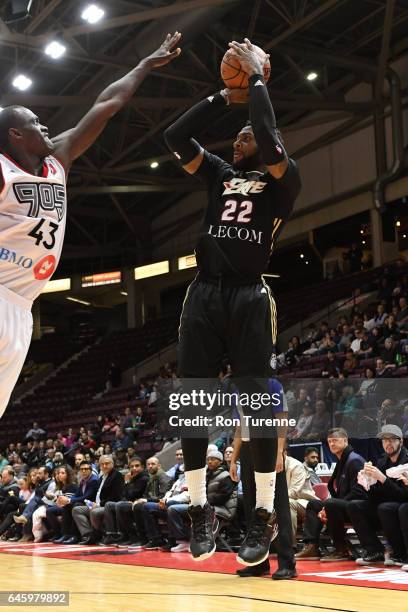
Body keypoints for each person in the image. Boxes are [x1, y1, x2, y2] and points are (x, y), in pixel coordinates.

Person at [164, 37, 301, 564]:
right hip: (204, 293)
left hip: (249, 296)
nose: (243, 138)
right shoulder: (219, 175)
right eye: (239, 135)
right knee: (193, 399)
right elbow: (174, 135)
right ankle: (199, 509)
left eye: (250, 136)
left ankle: (263, 514)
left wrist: (259, 80)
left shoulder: (284, 183)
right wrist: (226, 95)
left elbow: (268, 136)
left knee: (258, 406)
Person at [0, 32, 182, 418]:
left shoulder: (57, 162)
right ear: (14, 134)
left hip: (22, 304)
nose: (45, 127)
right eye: (35, 123)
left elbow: (107, 103)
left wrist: (143, 65)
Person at [348, 424, 408, 565]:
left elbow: (403, 495)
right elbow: (376, 496)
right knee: (355, 505)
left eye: (392, 440)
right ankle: (374, 550)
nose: (388, 443)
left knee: (386, 508)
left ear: (401, 441)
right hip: (386, 505)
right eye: (385, 440)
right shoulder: (382, 461)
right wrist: (367, 483)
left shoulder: (406, 461)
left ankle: (400, 553)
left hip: (400, 503)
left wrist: (383, 479)